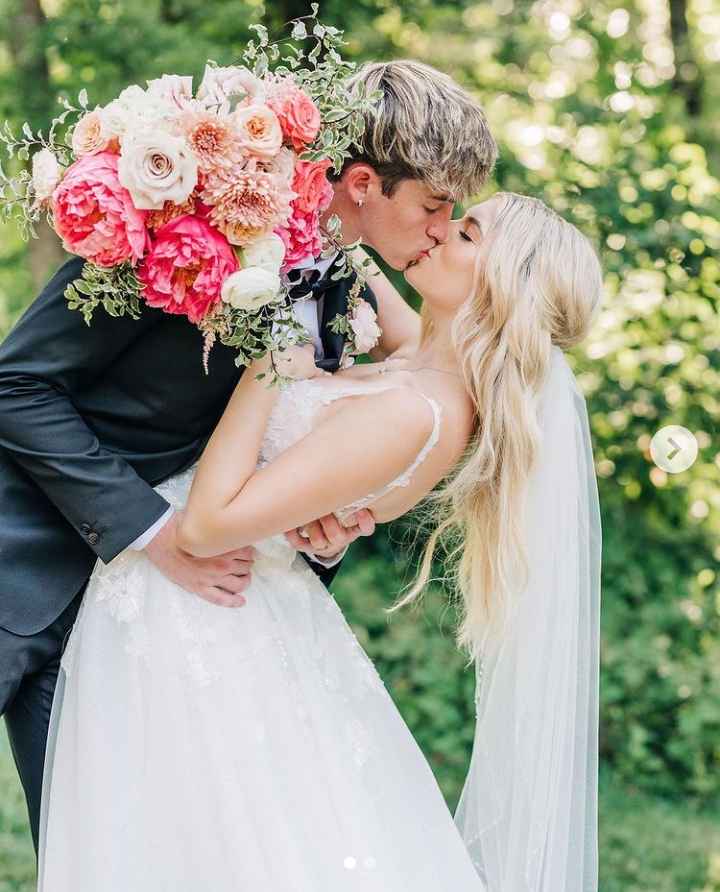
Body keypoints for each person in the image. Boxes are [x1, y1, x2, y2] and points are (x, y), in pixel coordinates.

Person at [38, 192, 602, 891]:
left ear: (500, 283)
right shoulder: (420, 361)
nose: (436, 232)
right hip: (199, 604)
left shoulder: (415, 411)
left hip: (210, 607)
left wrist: (272, 365)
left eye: (463, 231)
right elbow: (354, 253)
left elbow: (210, 525)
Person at [0, 58, 496, 852]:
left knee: (108, 852)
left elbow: (318, 428)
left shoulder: (345, 286)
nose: (442, 226)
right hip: (27, 570)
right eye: (435, 204)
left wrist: (330, 517)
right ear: (365, 185)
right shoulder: (177, 208)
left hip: (157, 632)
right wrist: (151, 534)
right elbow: (16, 387)